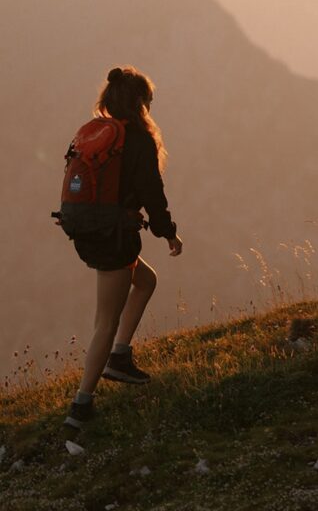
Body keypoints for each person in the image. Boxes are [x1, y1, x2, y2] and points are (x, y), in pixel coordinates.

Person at [63, 65, 182, 430]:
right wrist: (168, 232)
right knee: (105, 322)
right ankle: (80, 407)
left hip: (86, 227)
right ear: (140, 102)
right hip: (112, 235)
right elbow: (152, 193)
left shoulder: (99, 133)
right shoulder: (137, 140)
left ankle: (120, 356)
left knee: (146, 281)